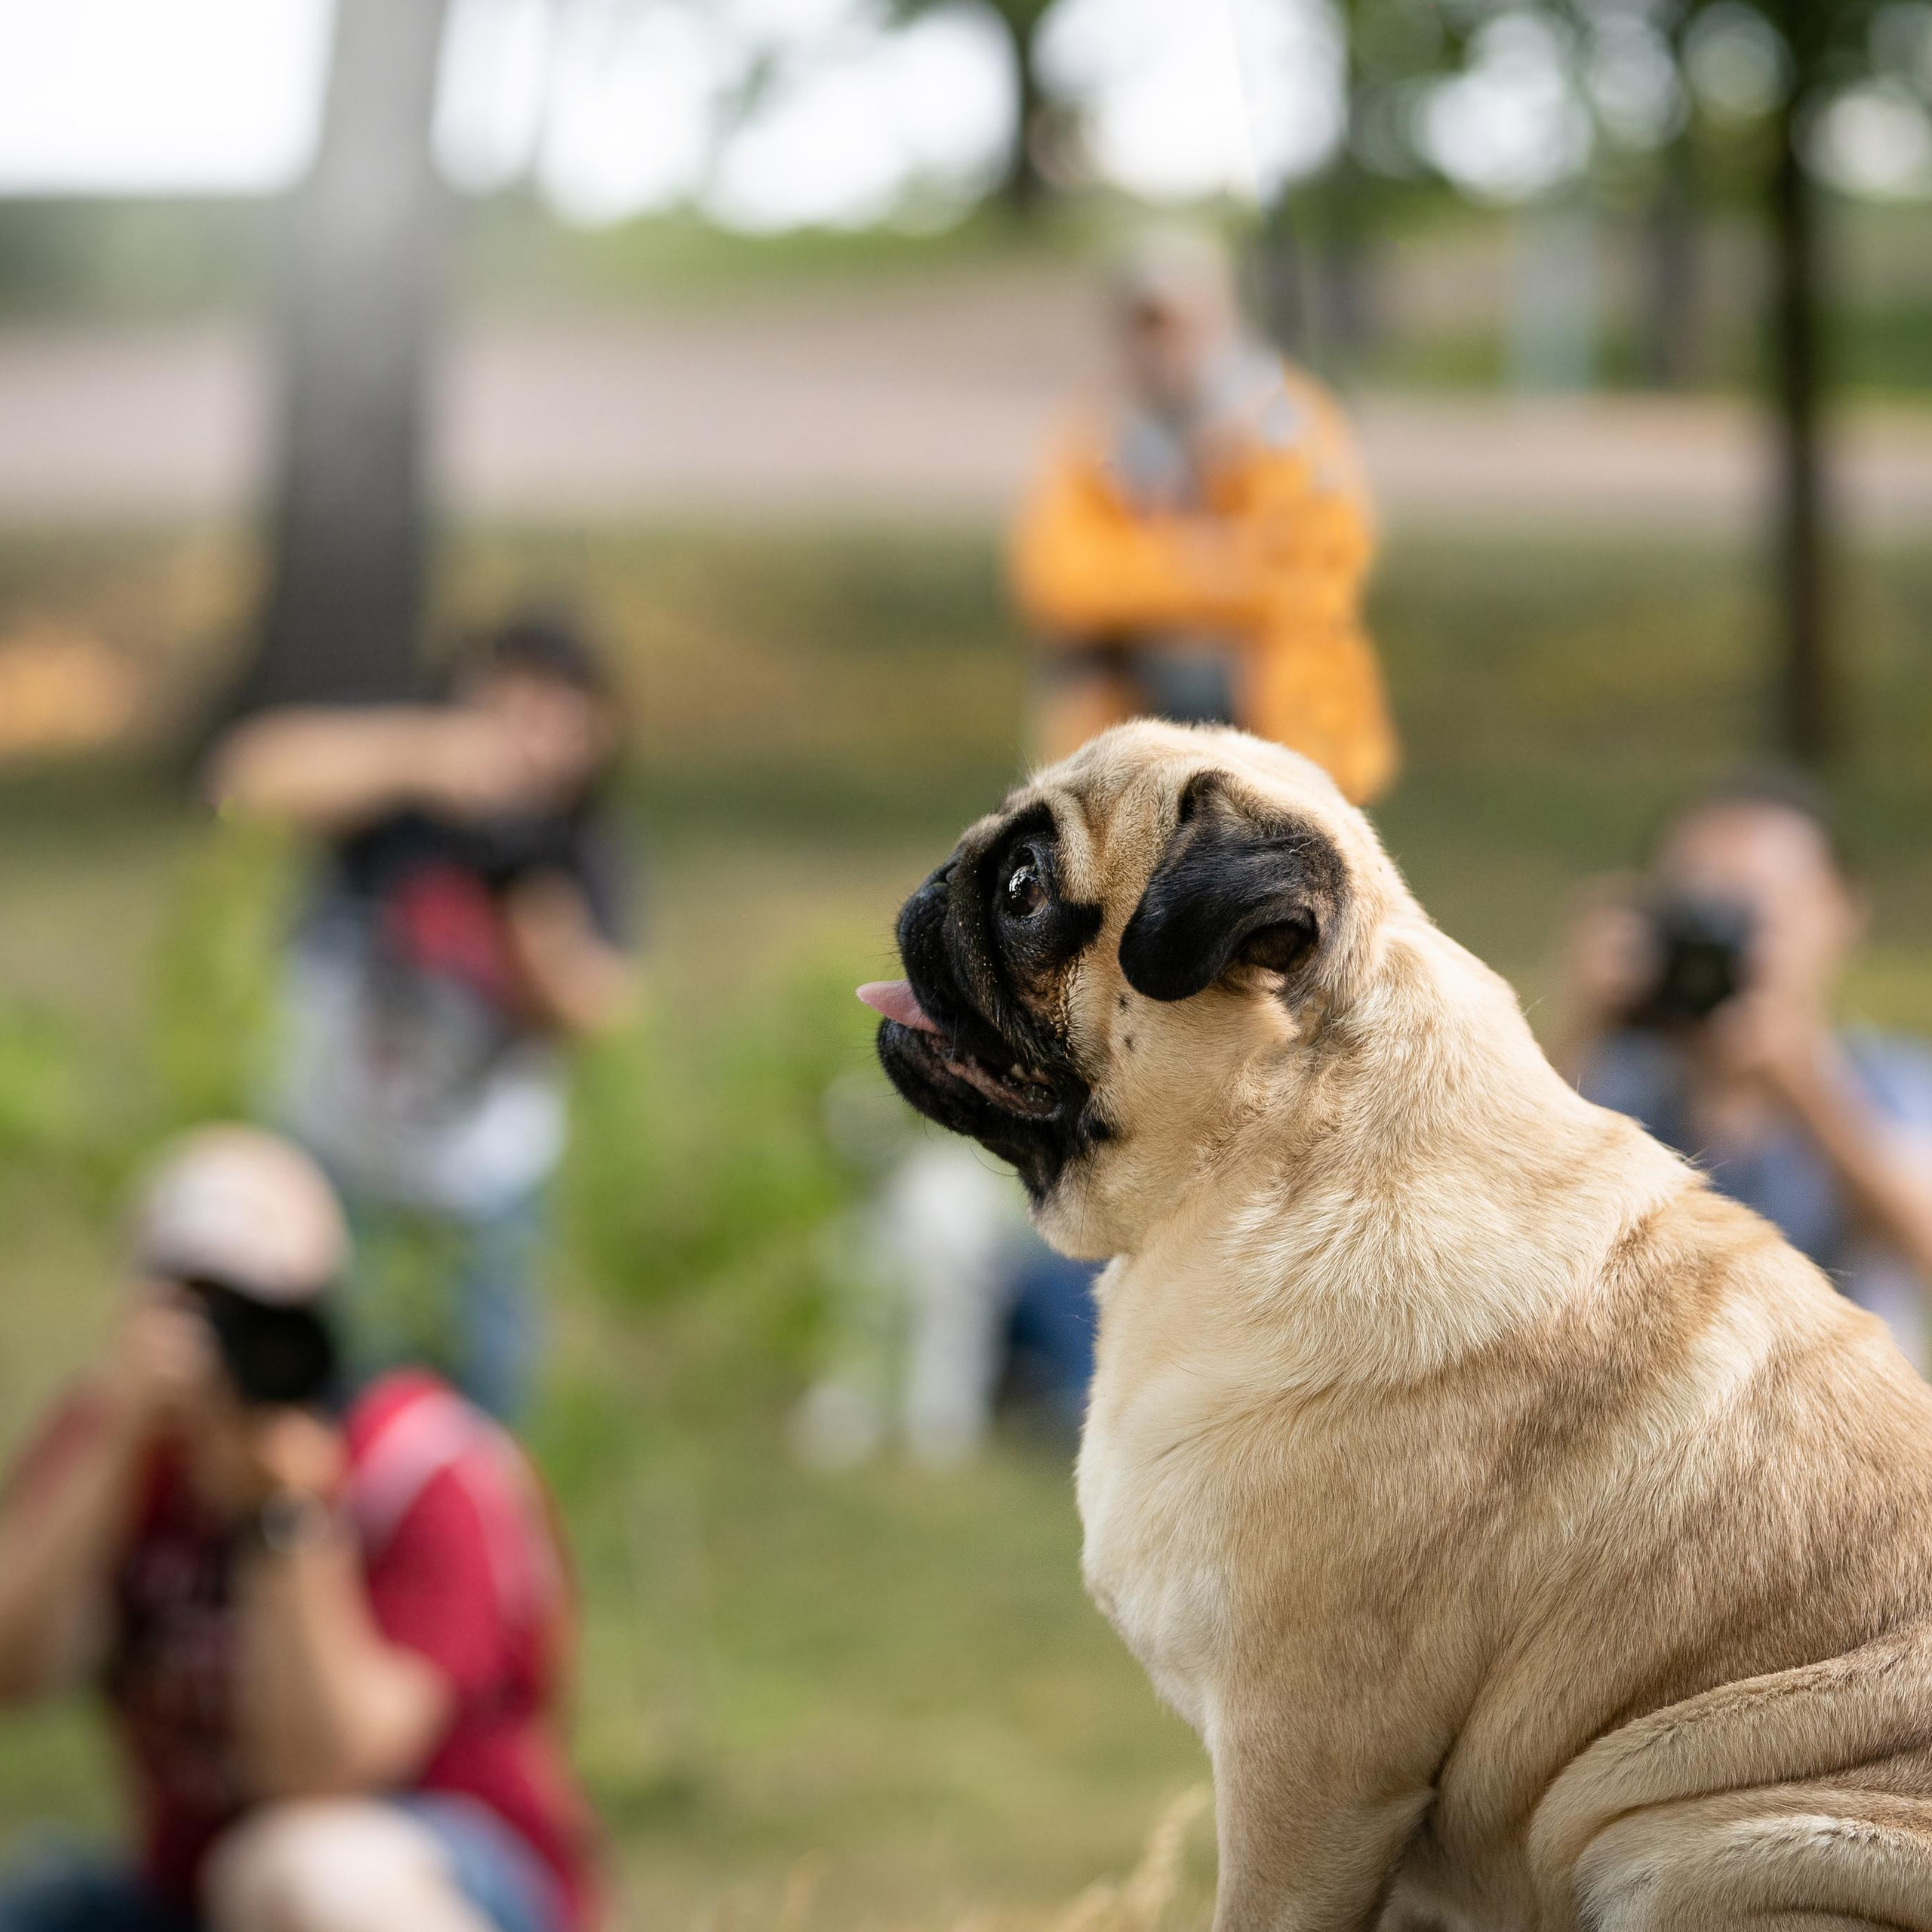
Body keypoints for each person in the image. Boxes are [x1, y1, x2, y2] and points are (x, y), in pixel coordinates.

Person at [0, 1127, 596, 1932]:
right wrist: (115, 1448)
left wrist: (282, 1520)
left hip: (437, 1874)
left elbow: (323, 1769)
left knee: (297, 1871)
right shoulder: (112, 1448)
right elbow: (13, 1669)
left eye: (256, 1313)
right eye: (186, 1306)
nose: (216, 1345)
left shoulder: (418, 1469)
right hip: (187, 1894)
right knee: (44, 1897)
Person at [207, 615, 638, 1419]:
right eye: (509, 714)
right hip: (331, 1157)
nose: (527, 747)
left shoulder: (576, 850)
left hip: (481, 1185)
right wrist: (418, 757)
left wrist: (529, 913)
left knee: (479, 1424)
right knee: (307, 1405)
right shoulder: (391, 808)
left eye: (557, 723)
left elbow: (601, 1009)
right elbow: (241, 780)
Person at [1552, 770, 1932, 1370]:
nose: (1724, 935)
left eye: (1756, 906)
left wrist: (1805, 1088)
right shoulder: (1598, 1089)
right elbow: (1479, 1225)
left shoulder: (1893, 1081)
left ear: (1842, 911)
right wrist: (1580, 1024)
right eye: (1695, 907)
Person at [1008, 229, 1397, 804]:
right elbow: (1057, 581)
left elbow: (1325, 566)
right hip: (1127, 749)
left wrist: (1166, 560)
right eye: (1145, 326)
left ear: (1223, 316)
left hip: (1284, 743)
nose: (1164, 346)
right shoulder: (1090, 434)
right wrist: (1220, 566)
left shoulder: (1290, 424)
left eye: (1179, 323)